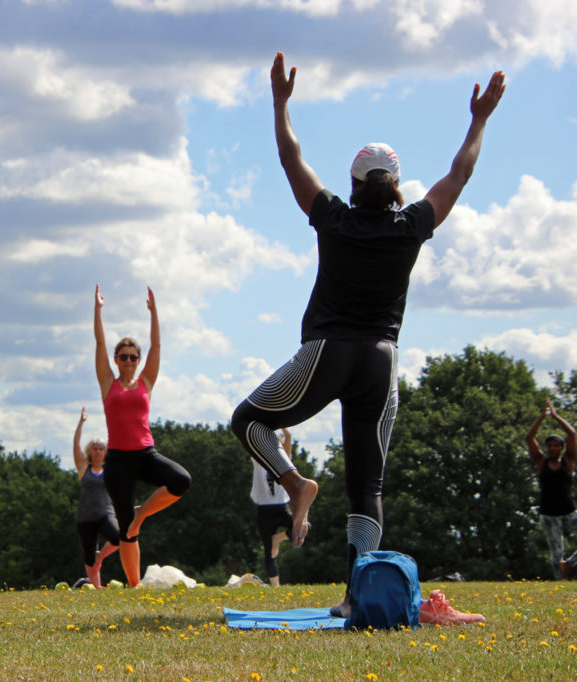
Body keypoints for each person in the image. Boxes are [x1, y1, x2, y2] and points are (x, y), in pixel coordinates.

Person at [230, 52, 505, 617]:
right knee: (366, 486)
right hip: (381, 363)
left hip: (328, 352)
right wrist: (479, 120)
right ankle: (359, 596)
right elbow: (459, 175)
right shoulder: (412, 226)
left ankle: (295, 483)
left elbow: (290, 158)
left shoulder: (333, 217)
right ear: (396, 186)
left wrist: (281, 103)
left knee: (249, 421)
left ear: (354, 186)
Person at [94, 285, 191, 587]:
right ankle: (135, 586)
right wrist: (98, 310)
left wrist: (154, 312)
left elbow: (157, 346)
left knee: (181, 480)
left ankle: (143, 512)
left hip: (145, 454)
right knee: (126, 529)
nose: (128, 361)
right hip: (119, 461)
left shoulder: (146, 381)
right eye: (123, 356)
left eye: (133, 356)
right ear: (116, 359)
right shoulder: (107, 382)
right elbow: (98, 342)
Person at [525, 398, 577, 579]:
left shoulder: (568, 460)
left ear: (561, 448)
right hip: (549, 514)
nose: (553, 448)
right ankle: (559, 582)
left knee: (563, 559)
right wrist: (541, 417)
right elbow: (529, 438)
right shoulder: (541, 462)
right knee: (556, 554)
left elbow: (571, 434)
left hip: (570, 512)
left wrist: (554, 416)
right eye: (550, 445)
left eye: (556, 445)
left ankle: (569, 564)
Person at [73, 407, 120, 588]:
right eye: (95, 448)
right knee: (89, 556)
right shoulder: (84, 467)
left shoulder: (110, 469)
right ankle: (96, 587)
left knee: (118, 537)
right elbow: (76, 445)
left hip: (105, 514)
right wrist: (81, 423)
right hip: (85, 517)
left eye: (101, 448)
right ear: (90, 451)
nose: (98, 451)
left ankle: (101, 556)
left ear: (105, 451)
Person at [251, 428, 295, 586]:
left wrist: (279, 424)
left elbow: (288, 436)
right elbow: (250, 440)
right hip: (264, 512)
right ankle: (276, 587)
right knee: (269, 553)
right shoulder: (258, 460)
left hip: (282, 509)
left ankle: (278, 538)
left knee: (304, 527)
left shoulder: (285, 460)